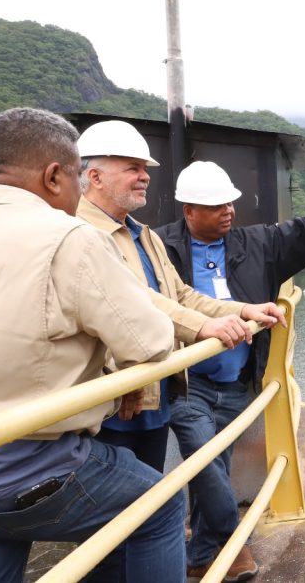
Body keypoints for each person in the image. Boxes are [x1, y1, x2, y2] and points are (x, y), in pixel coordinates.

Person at [0, 108, 186, 582]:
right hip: (30, 467)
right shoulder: (70, 236)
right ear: (55, 176)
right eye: (74, 177)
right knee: (162, 505)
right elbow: (150, 342)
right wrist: (118, 382)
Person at [76, 121, 286, 582]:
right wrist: (207, 326)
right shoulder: (77, 234)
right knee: (109, 526)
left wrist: (243, 308)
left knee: (143, 514)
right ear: (93, 176)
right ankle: (221, 547)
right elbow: (133, 301)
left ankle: (199, 555)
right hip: (108, 401)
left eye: (145, 169)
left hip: (153, 394)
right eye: (132, 168)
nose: (144, 176)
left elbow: (180, 296)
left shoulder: (143, 235)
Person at [154, 160, 305, 581]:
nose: (229, 212)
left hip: (236, 381)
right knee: (204, 460)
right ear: (189, 210)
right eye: (217, 205)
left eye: (230, 203)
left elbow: (302, 230)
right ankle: (235, 542)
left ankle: (201, 556)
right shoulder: (161, 250)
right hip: (187, 383)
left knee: (216, 466)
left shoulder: (254, 244)